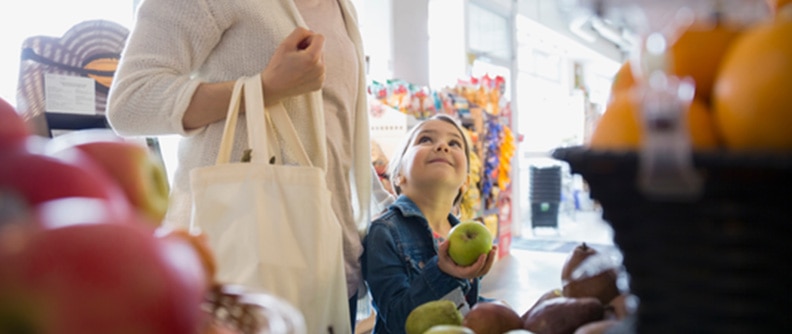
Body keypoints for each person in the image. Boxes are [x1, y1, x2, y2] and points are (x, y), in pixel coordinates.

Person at [106, 0, 393, 330]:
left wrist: (390, 207)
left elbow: (338, 133)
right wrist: (264, 89)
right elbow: (129, 102)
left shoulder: (343, 7)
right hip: (245, 263)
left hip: (334, 266)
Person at [362, 114, 498, 333]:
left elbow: (460, 307)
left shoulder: (464, 233)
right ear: (398, 176)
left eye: (454, 143)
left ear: (464, 180)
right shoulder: (385, 232)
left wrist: (494, 311)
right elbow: (398, 320)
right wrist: (443, 272)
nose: (443, 146)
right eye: (425, 140)